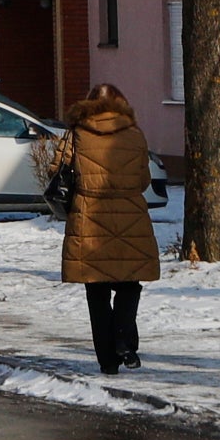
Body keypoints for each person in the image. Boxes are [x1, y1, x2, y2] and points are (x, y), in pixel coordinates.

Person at [58, 82, 162, 375]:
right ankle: (123, 338)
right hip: (130, 215)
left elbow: (58, 171)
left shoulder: (77, 134)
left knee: (97, 290)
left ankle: (107, 361)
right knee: (130, 283)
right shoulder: (134, 134)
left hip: (88, 216)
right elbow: (143, 179)